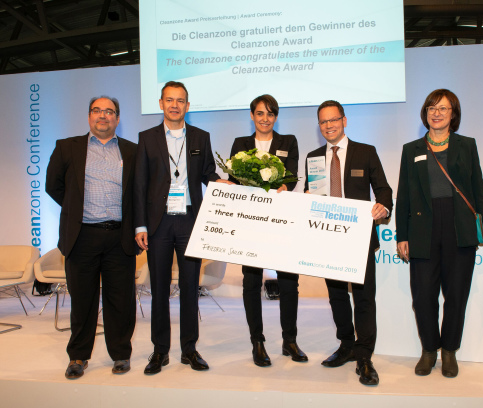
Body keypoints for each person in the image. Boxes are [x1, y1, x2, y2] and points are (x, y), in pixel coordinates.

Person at [396, 89, 483, 378]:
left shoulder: (467, 145)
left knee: (456, 294)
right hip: (422, 229)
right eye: (431, 107)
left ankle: (450, 351)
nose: (436, 112)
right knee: (423, 295)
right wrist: (402, 234)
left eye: (443, 108)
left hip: (459, 228)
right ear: (425, 113)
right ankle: (429, 350)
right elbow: (404, 195)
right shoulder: (411, 149)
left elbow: (478, 190)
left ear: (454, 114)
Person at [134, 81, 229, 374]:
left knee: (190, 287)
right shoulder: (146, 138)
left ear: (188, 106)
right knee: (159, 288)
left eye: (181, 101)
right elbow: (140, 184)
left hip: (190, 219)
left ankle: (189, 349)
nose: (175, 105)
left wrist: (225, 185)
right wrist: (140, 224)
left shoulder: (201, 137)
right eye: (170, 100)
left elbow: (207, 174)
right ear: (161, 103)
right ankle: (160, 351)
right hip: (158, 223)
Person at [46, 96, 137, 379]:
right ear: (89, 116)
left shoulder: (132, 151)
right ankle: (78, 356)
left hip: (119, 238)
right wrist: (76, 209)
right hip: (82, 236)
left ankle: (121, 354)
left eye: (109, 112)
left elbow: (138, 192)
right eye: (97, 111)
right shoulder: (66, 147)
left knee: (120, 300)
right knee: (82, 300)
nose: (103, 116)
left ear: (117, 119)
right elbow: (54, 186)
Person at [304, 100, 393, 386]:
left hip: (359, 237)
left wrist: (383, 206)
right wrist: (306, 197)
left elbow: (384, 189)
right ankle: (346, 345)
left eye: (334, 120)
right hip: (327, 238)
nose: (329, 125)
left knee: (364, 297)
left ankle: (364, 356)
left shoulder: (365, 152)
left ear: (344, 120)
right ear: (319, 126)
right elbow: (311, 194)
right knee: (337, 296)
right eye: (323, 122)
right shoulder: (313, 157)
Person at [229, 94, 306, 366]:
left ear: (276, 117)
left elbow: (292, 174)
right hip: (250, 220)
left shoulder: (289, 141)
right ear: (252, 116)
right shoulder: (241, 144)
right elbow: (233, 178)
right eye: (260, 113)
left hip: (282, 219)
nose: (265, 119)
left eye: (270, 114)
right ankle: (257, 342)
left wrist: (284, 186)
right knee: (251, 282)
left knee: (289, 281)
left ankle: (290, 340)